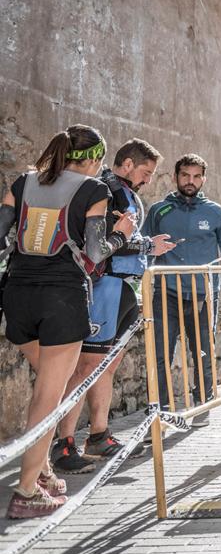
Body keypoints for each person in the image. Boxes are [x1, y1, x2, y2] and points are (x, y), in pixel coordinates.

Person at [1, 124, 135, 518]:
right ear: (94, 157)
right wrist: (122, 234)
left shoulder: (23, 183)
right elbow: (95, 251)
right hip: (61, 299)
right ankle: (27, 491)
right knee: (49, 397)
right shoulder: (95, 191)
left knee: (48, 388)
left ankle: (40, 472)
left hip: (18, 296)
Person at [52, 139, 175, 472]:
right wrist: (147, 243)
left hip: (125, 287)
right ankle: (63, 444)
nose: (149, 180)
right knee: (86, 366)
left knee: (107, 365)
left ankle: (99, 434)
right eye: (146, 172)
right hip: (104, 285)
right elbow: (105, 243)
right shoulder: (104, 189)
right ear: (129, 164)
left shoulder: (126, 192)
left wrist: (147, 246)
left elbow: (127, 238)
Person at [143, 154, 221, 418]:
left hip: (204, 295)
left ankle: (202, 407)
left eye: (197, 176)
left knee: (203, 352)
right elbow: (143, 245)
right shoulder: (159, 210)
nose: (191, 181)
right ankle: (161, 411)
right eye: (185, 175)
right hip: (166, 294)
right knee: (161, 354)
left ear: (203, 179)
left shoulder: (215, 211)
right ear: (176, 177)